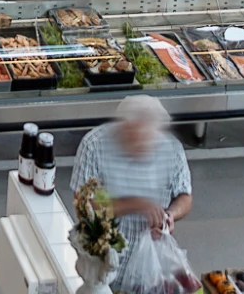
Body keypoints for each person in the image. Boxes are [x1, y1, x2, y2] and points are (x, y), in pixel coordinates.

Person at [69, 94, 192, 271]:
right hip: (103, 259)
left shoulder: (171, 149)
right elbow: (86, 205)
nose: (144, 144)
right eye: (136, 134)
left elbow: (185, 196)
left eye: (150, 137)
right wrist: (138, 204)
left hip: (149, 261)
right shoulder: (95, 146)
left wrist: (170, 215)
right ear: (123, 127)